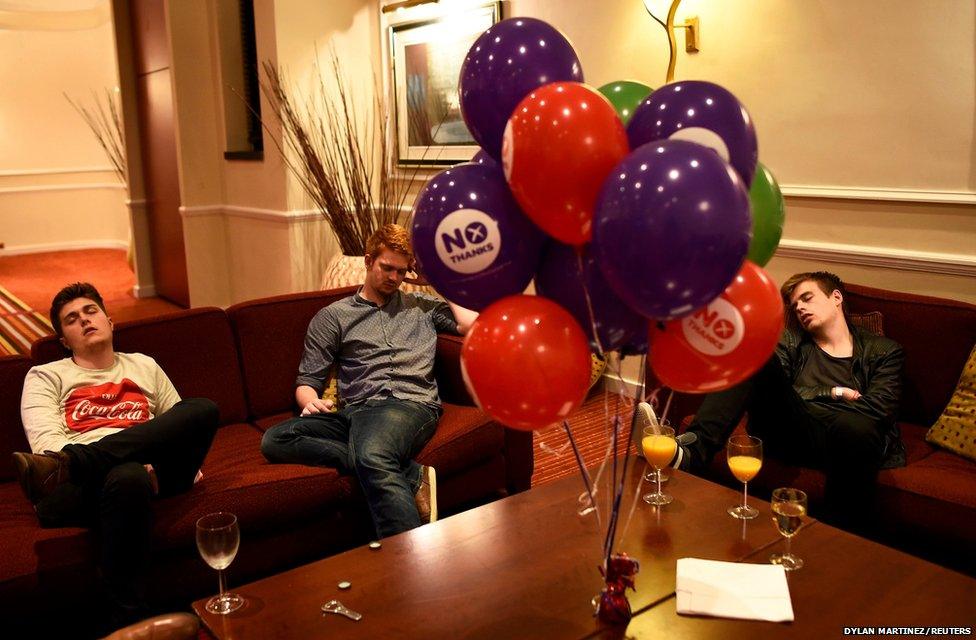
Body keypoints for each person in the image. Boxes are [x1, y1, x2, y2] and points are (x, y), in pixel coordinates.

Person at [11, 283, 219, 628]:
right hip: (74, 484)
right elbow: (47, 453)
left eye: (91, 312)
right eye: (72, 319)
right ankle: (129, 621)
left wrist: (160, 457)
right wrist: (127, 460)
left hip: (141, 470)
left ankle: (87, 461)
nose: (85, 321)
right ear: (63, 339)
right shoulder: (46, 375)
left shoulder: (144, 365)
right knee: (128, 475)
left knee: (203, 409)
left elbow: (178, 423)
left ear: (110, 321)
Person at [261, 224, 476, 539]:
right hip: (356, 411)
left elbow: (472, 325)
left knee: (373, 454)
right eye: (386, 267)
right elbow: (307, 380)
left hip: (408, 404)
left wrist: (442, 281)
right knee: (275, 439)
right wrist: (311, 402)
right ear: (367, 261)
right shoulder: (333, 317)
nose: (393, 278)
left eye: (401, 272)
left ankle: (409, 556)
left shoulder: (421, 307)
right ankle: (410, 475)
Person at [642, 271, 905, 528]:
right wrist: (834, 392)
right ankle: (691, 453)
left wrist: (812, 400)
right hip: (795, 429)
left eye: (807, 298)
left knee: (856, 427)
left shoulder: (883, 350)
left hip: (848, 437)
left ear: (836, 297)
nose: (800, 307)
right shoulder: (790, 342)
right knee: (752, 355)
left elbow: (879, 408)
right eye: (795, 304)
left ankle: (837, 536)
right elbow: (776, 393)